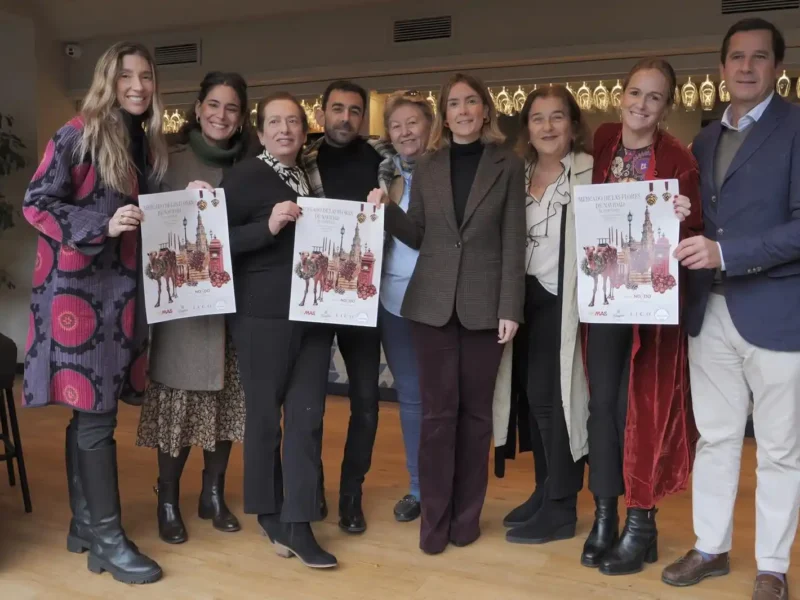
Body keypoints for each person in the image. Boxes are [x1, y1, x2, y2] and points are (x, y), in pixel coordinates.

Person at [21, 41, 168, 584]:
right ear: (108, 80)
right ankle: (108, 540)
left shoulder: (143, 140)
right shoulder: (78, 133)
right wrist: (98, 227)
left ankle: (84, 525)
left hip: (120, 296)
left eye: (146, 76)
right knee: (98, 415)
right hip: (80, 298)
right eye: (127, 75)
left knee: (88, 411)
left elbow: (146, 211)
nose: (137, 85)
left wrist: (187, 196)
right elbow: (36, 201)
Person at [663, 19, 800, 600]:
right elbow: (697, 224)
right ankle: (711, 547)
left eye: (759, 58)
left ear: (777, 68)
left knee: (779, 448)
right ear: (721, 68)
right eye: (736, 57)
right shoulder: (702, 140)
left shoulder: (798, 127)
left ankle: (771, 563)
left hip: (776, 310)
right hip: (708, 313)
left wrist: (728, 252)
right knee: (715, 438)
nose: (746, 67)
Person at [369, 72, 526, 554]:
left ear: (485, 110)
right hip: (430, 306)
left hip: (485, 309)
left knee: (476, 418)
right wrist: (385, 210)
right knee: (438, 416)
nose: (462, 110)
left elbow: (513, 239)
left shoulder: (508, 164)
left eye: (470, 102)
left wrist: (510, 307)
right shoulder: (430, 165)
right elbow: (418, 233)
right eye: (454, 103)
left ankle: (466, 520)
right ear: (447, 112)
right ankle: (433, 524)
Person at [584, 58, 700, 576]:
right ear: (620, 95)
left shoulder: (678, 158)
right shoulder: (604, 141)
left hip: (652, 309)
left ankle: (641, 521)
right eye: (635, 93)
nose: (641, 105)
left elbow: (694, 233)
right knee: (602, 407)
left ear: (667, 107)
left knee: (644, 413)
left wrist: (683, 217)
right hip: (604, 300)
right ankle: (604, 512)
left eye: (654, 97)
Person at [223, 91, 337, 569]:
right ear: (262, 128)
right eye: (276, 121)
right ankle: (270, 513)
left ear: (304, 127)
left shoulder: (310, 174)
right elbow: (215, 244)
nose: (286, 129)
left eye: (294, 121)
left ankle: (299, 520)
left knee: (307, 420)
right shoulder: (246, 175)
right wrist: (265, 228)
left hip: (314, 313)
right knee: (266, 420)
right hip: (262, 317)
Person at [136, 72, 251, 544]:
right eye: (215, 105)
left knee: (227, 405)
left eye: (232, 108)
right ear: (198, 107)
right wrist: (180, 204)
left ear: (242, 117)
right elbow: (144, 226)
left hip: (235, 306)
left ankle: (213, 494)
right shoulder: (167, 160)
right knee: (179, 406)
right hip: (182, 310)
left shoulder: (253, 165)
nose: (222, 116)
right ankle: (167, 498)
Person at [494, 85, 592, 544]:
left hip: (563, 301)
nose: (548, 127)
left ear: (573, 125)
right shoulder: (517, 172)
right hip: (523, 300)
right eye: (538, 118)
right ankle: (543, 489)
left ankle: (561, 507)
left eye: (557, 117)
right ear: (526, 128)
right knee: (532, 402)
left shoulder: (591, 174)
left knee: (559, 405)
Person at [302, 80, 394, 533]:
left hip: (363, 295)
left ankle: (351, 494)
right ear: (321, 113)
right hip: (315, 297)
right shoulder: (299, 161)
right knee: (310, 401)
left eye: (354, 111)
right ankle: (314, 484)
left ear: (363, 116)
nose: (345, 118)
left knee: (367, 402)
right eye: (336, 109)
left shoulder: (384, 160)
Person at [373, 90, 434, 522]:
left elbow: (426, 235)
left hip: (437, 300)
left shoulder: (445, 171)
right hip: (391, 301)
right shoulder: (385, 177)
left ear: (430, 126)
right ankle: (418, 488)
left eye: (413, 122)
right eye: (396, 125)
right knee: (411, 398)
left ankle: (446, 483)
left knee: (444, 399)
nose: (404, 132)